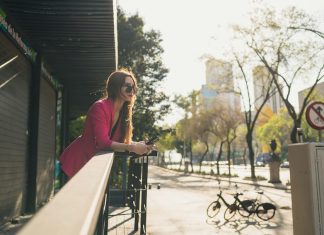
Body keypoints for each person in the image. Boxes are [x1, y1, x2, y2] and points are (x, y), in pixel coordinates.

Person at [60, 69, 152, 179]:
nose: (132, 91)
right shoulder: (99, 107)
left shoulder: (124, 112)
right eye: (128, 87)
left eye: (134, 88)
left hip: (93, 166)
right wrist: (133, 148)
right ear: (116, 87)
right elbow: (103, 142)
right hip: (76, 164)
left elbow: (118, 142)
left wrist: (139, 145)